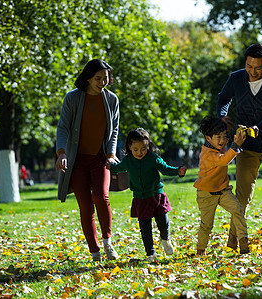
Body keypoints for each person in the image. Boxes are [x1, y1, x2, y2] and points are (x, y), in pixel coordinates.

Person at [216, 43, 262, 253]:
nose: (252, 72)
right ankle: (234, 241)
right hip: (245, 145)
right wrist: (223, 115)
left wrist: (259, 127)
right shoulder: (237, 77)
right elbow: (223, 98)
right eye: (249, 67)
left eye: (257, 68)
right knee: (241, 195)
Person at [56, 59, 120, 262]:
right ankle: (95, 252)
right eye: (98, 78)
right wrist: (62, 153)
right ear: (88, 78)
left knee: (102, 198)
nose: (103, 82)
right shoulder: (72, 98)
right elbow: (63, 127)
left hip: (100, 158)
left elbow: (114, 129)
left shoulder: (111, 100)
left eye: (106, 78)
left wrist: (111, 153)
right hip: (77, 161)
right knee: (86, 206)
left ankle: (108, 243)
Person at [110, 128, 187, 262]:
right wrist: (110, 165)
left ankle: (165, 239)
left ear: (148, 146)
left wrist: (178, 171)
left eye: (143, 149)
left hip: (157, 197)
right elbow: (117, 168)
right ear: (129, 147)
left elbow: (166, 169)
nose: (140, 153)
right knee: (145, 228)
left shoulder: (153, 158)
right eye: (135, 149)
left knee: (163, 223)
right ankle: (150, 253)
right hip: (141, 199)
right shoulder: (128, 161)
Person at [193, 116, 249, 255]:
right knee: (206, 225)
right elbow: (224, 160)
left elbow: (226, 151)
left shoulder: (220, 146)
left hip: (223, 191)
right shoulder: (207, 153)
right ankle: (201, 249)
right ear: (208, 138)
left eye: (224, 137)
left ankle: (243, 241)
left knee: (237, 209)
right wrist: (235, 146)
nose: (222, 141)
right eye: (218, 137)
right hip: (206, 194)